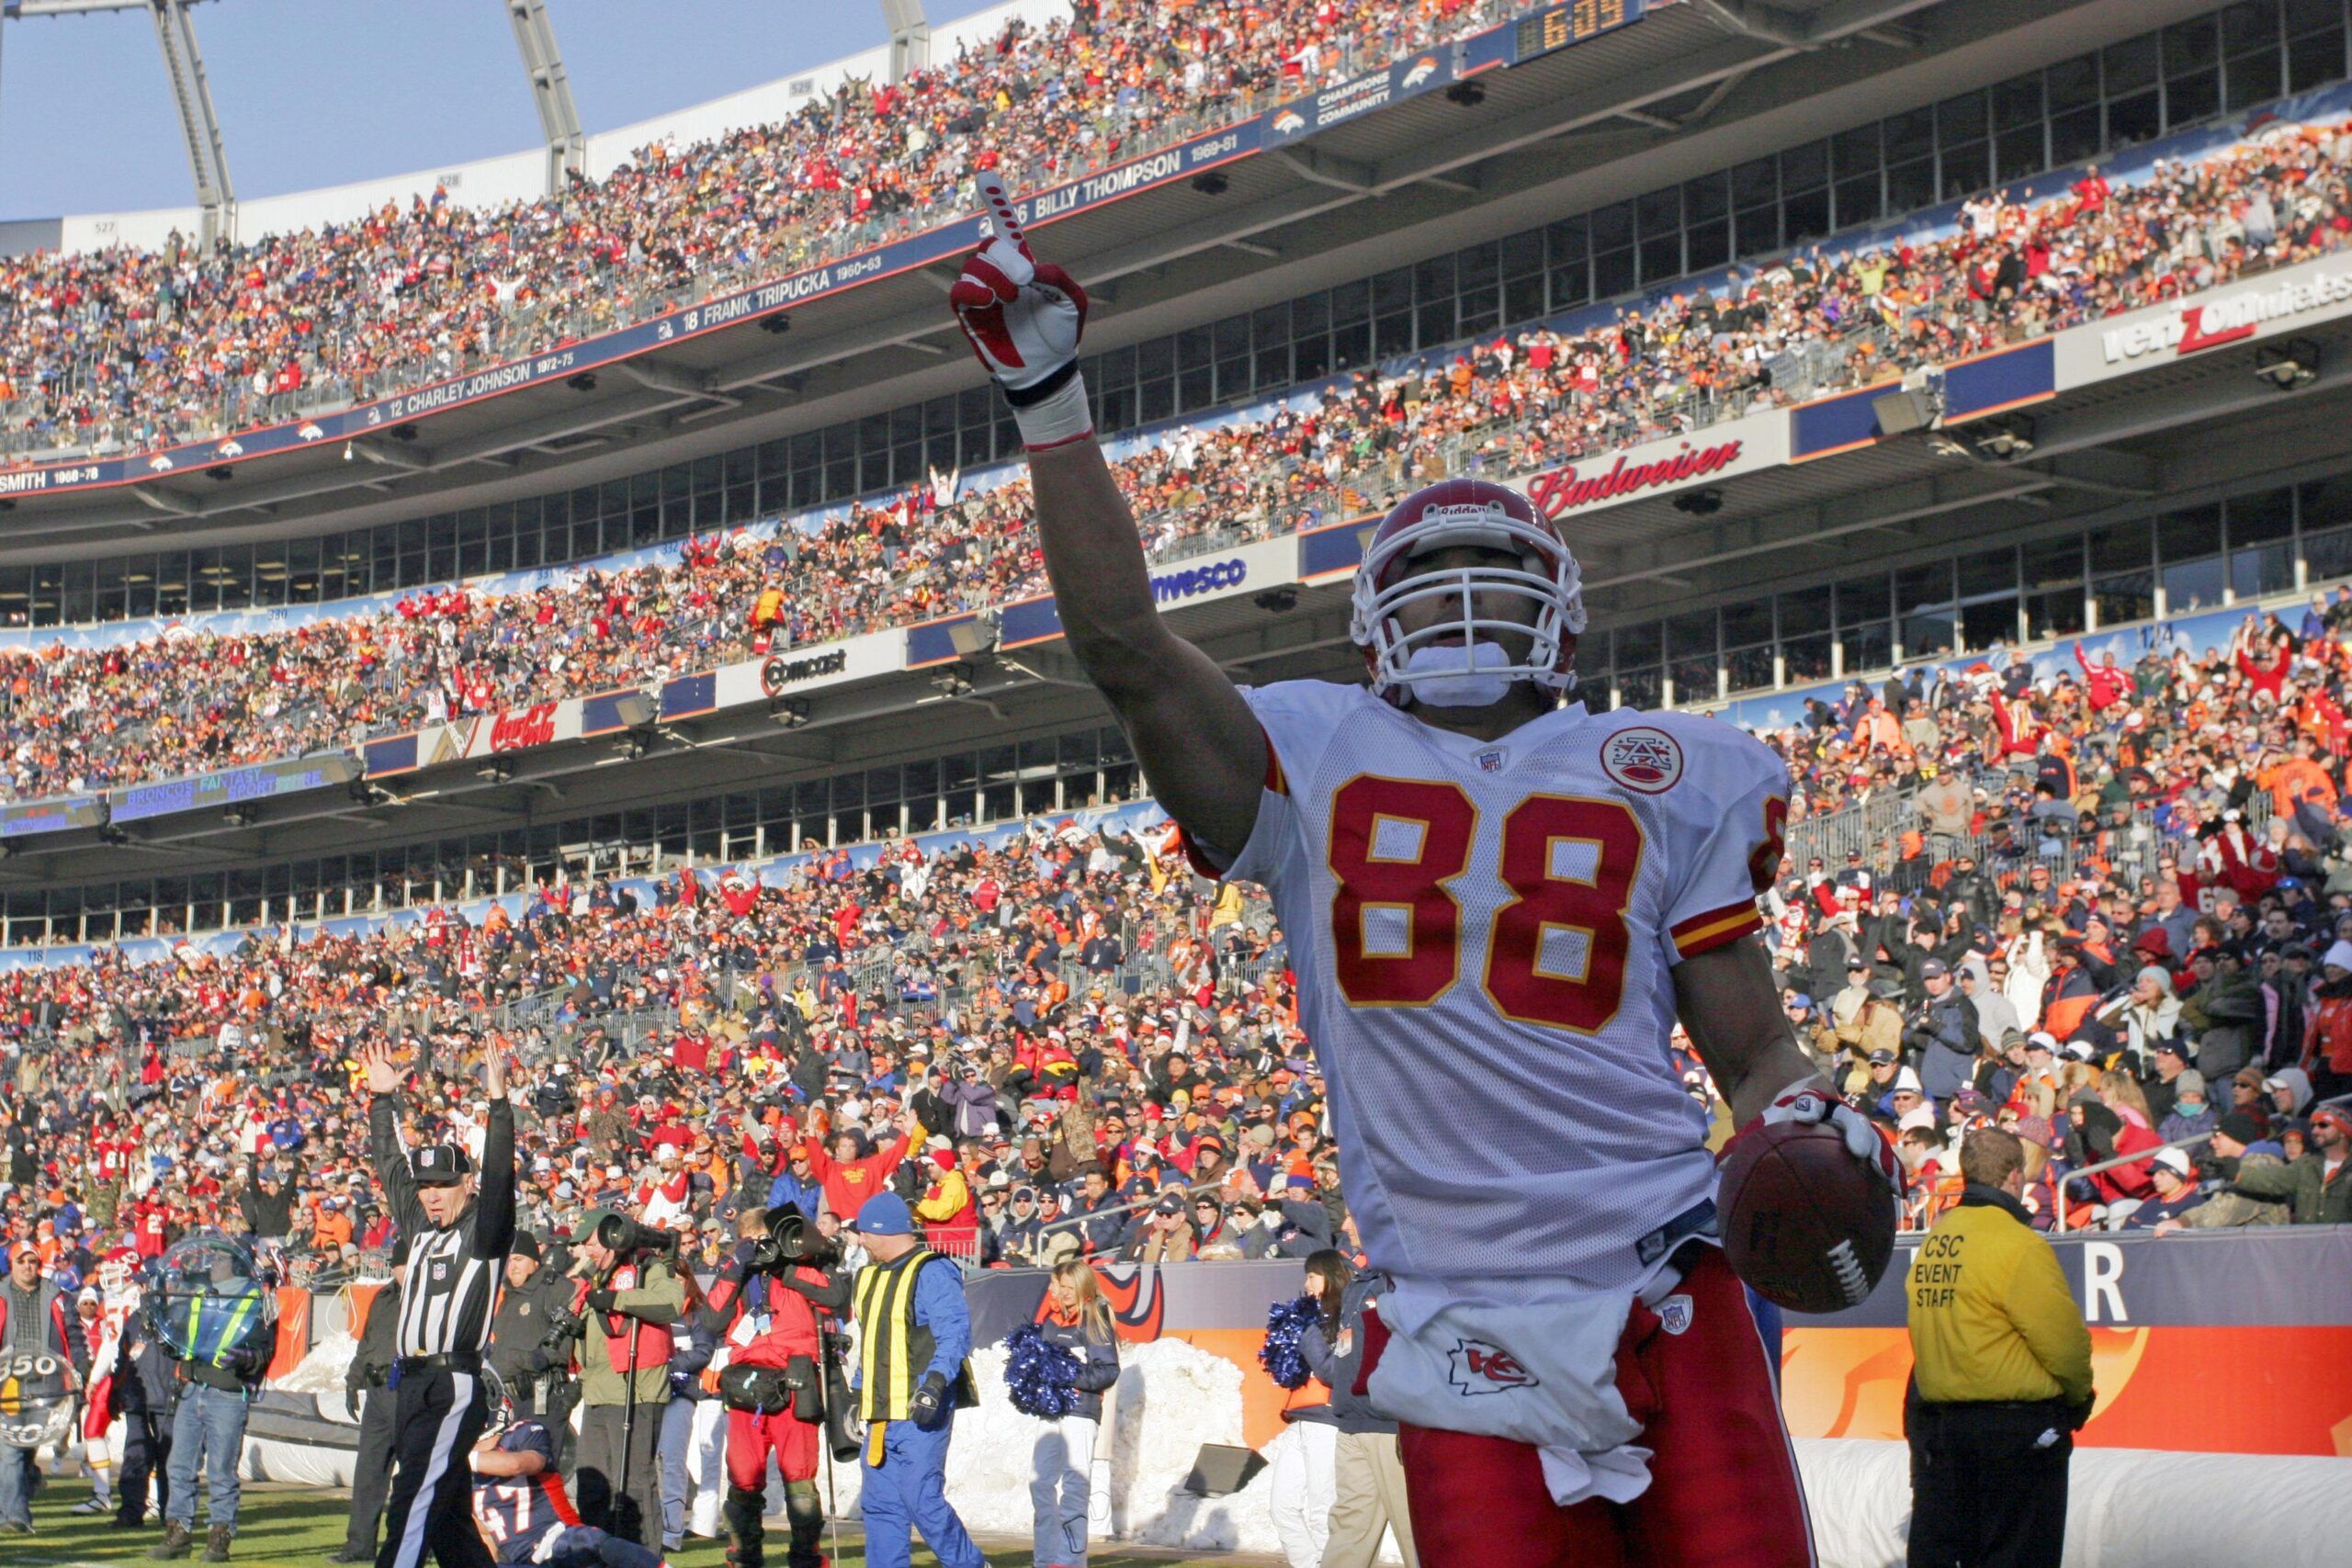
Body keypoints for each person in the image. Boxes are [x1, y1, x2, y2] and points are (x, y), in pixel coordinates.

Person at [952, 187, 1892, 1564]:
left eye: (1494, 575)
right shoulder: (1312, 752)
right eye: (1433, 574)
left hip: (1666, 1276)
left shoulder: (1663, 766)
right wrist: (1047, 397)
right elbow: (1127, 646)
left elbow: (1752, 1043)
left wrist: (1803, 1112)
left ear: (1559, 610)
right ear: (1370, 617)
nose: (1464, 603)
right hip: (1453, 1319)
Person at [1905, 1128, 2093, 1568]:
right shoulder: (2019, 1245)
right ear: (2013, 1177)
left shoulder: (1936, 1242)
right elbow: (2063, 1344)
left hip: (1947, 1433)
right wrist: (2078, 1397)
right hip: (2015, 1434)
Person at [364, 1037, 517, 1568]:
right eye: (425, 1185)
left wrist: (499, 1109)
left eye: (443, 1184)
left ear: (467, 1184)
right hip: (409, 1381)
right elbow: (390, 1167)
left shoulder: (485, 1229)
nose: (430, 1194)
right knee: (448, 1517)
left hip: (452, 1381)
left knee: (411, 1504)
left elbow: (501, 1179)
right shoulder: (419, 1226)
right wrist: (382, 1102)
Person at [699, 1205, 851, 1568]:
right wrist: (737, 1266)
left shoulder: (803, 1265)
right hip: (747, 1385)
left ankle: (805, 1558)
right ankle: (744, 1557)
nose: (759, 1249)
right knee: (743, 1477)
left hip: (794, 1381)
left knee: (799, 1478)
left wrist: (787, 1266)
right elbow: (712, 1319)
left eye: (763, 1242)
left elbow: (835, 1297)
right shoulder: (737, 1273)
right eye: (750, 1243)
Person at [845, 1192, 982, 1568]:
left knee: (923, 1499)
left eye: (862, 1233)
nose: (859, 1241)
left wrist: (935, 1383)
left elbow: (954, 1333)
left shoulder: (932, 1270)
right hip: (879, 1413)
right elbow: (871, 1341)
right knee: (880, 1507)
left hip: (919, 1408)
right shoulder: (867, 1276)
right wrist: (857, 1392)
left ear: (881, 1230)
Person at [553, 1209, 683, 1548]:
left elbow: (672, 1302)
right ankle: (599, 1552)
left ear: (612, 1235)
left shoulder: (647, 1266)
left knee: (635, 1483)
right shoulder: (596, 1275)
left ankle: (645, 1557)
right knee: (593, 1483)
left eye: (591, 1243)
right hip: (597, 1389)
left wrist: (616, 1300)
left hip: (636, 1388)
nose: (588, 1251)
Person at [148, 1235, 276, 1562]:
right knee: (179, 1465)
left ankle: (220, 1535)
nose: (211, 1265)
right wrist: (160, 1330)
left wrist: (243, 1358)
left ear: (235, 1264)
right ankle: (179, 1531)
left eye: (218, 1260)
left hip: (228, 1393)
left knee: (221, 1469)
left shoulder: (254, 1300)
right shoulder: (200, 1296)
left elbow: (264, 1350)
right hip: (192, 1388)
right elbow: (181, 1340)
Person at [1300, 1250, 1417, 1568]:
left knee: (1413, 1530)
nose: (1350, 1223)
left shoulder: (1404, 1281)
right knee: (1349, 1527)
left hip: (1390, 1424)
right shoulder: (1358, 1285)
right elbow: (1341, 1362)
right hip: (1352, 1421)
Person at [468, 1398, 664, 1568]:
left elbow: (517, 1465)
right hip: (525, 1562)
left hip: (560, 1541)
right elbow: (486, 1537)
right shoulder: (461, 1473)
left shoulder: (522, 1433)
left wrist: (460, 1458)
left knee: (589, 1541)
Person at [1028, 1260, 1120, 1568]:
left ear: (1083, 1286)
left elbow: (1108, 1371)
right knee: (1039, 1482)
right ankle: (1045, 1559)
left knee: (1075, 1486)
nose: (1065, 1294)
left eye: (1071, 1287)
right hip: (1050, 1412)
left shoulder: (1095, 1315)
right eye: (1061, 1287)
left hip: (1080, 1412)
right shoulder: (1054, 1317)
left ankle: (1070, 1561)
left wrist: (1066, 1374)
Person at [0, 1241, 70, 1533]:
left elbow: (72, 1333)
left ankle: (28, 1482)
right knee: (11, 1448)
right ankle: (15, 1517)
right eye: (22, 1261)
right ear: (11, 1264)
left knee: (27, 1449)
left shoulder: (55, 1296)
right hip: (9, 1383)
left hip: (46, 1382)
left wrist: (76, 1369)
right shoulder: (2, 1295)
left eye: (33, 1262)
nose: (29, 1267)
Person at [334, 1275, 402, 1564]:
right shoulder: (383, 1297)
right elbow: (367, 1343)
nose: (400, 1269)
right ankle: (360, 1544)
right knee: (368, 1471)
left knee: (413, 1471)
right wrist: (354, 1380)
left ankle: (408, 1542)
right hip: (376, 1388)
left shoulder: (426, 1293)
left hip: (408, 1387)